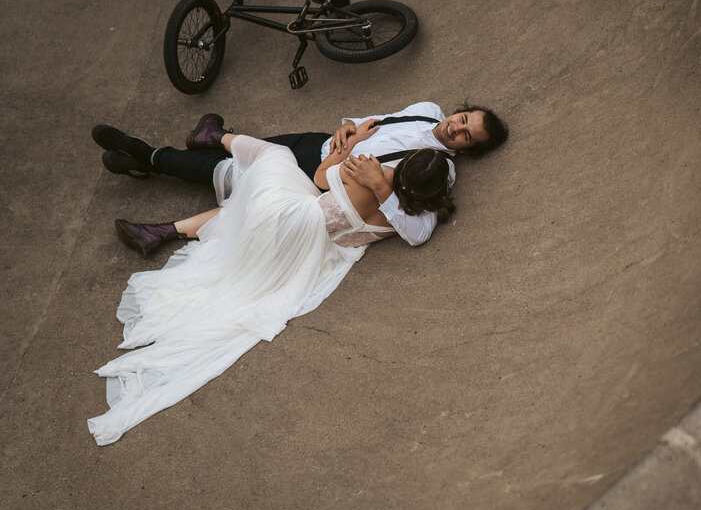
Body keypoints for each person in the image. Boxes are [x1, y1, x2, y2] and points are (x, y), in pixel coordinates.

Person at [87, 127, 455, 446]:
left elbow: (321, 179)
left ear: (405, 166)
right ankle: (163, 223)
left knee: (273, 154)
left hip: (292, 220)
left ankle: (217, 136)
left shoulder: (375, 172)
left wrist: (345, 155)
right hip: (318, 253)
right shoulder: (423, 218)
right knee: (244, 202)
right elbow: (414, 233)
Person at [92, 100, 508, 247]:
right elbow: (384, 117)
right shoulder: (430, 110)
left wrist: (379, 186)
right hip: (325, 144)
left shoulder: (439, 170)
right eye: (465, 118)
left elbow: (417, 226)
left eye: (467, 136)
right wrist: (351, 127)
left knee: (226, 171)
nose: (458, 128)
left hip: (322, 178)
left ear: (467, 150)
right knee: (263, 148)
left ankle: (148, 157)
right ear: (460, 109)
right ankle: (212, 137)